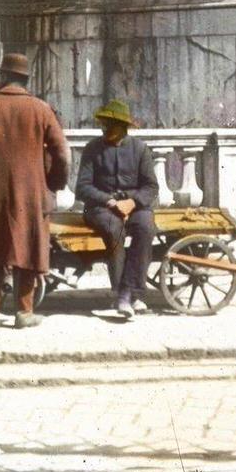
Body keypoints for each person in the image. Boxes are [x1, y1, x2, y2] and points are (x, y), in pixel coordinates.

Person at [0, 51, 71, 330]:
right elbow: (63, 155)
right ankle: (24, 312)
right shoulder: (41, 109)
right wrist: (52, 182)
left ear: (3, 77)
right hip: (30, 194)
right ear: (24, 80)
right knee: (28, 248)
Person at [75, 100, 158, 320]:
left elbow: (151, 186)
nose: (104, 130)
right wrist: (110, 202)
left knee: (146, 227)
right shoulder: (93, 149)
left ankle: (128, 292)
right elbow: (82, 188)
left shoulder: (140, 149)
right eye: (103, 125)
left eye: (110, 126)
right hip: (101, 208)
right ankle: (125, 295)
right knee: (115, 229)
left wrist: (133, 202)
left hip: (135, 205)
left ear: (123, 127)